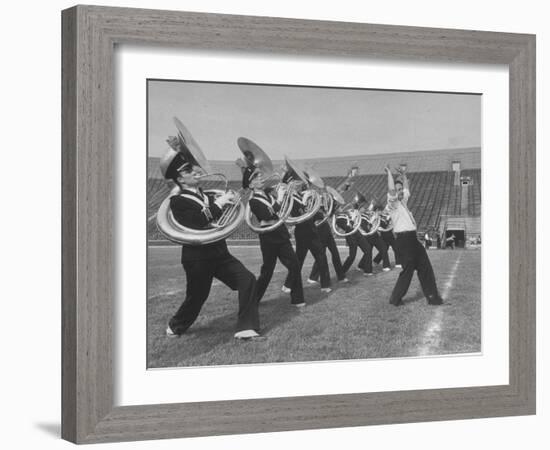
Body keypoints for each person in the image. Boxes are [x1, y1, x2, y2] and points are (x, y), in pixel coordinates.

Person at [161, 131, 261, 340]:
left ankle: (246, 328)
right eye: (189, 170)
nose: (196, 171)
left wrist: (231, 201)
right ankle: (176, 325)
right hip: (197, 258)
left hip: (219, 253)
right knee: (197, 297)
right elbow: (198, 221)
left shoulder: (206, 195)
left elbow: (217, 215)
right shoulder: (177, 202)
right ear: (180, 178)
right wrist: (219, 203)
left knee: (247, 280)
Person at [384, 165, 443, 306]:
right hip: (404, 240)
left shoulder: (403, 202)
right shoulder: (392, 204)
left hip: (412, 239)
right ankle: (395, 298)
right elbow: (391, 189)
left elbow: (406, 188)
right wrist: (389, 174)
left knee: (425, 266)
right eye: (397, 190)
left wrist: (404, 175)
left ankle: (432, 297)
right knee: (408, 271)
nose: (399, 192)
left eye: (400, 190)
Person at [246, 168, 305, 307]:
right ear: (250, 185)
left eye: (260, 176)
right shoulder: (253, 201)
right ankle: (253, 299)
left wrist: (284, 191)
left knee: (295, 265)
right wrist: (279, 197)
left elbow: (279, 211)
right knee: (267, 270)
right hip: (268, 236)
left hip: (280, 233)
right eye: (256, 178)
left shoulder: (269, 195)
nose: (261, 179)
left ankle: (298, 299)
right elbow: (268, 214)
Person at [282, 163, 332, 294]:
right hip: (302, 231)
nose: (301, 183)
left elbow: (311, 212)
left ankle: (325, 284)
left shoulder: (300, 195)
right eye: (297, 181)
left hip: (311, 230)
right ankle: (288, 284)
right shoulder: (290, 197)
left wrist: (320, 212)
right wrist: (305, 203)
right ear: (291, 183)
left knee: (321, 257)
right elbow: (297, 213)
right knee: (299, 259)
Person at [308, 190, 348, 284]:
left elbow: (332, 212)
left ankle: (341, 276)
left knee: (335, 253)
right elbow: (315, 217)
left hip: (326, 230)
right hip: (320, 231)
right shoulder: (314, 206)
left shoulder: (326, 205)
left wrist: (336, 207)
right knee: (321, 255)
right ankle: (313, 277)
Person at [357, 201, 391, 275]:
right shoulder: (362, 217)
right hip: (368, 236)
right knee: (368, 252)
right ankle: (361, 266)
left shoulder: (373, 215)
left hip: (374, 235)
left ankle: (386, 266)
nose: (365, 209)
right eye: (363, 208)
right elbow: (367, 228)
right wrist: (373, 219)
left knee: (383, 248)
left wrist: (387, 219)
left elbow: (384, 225)